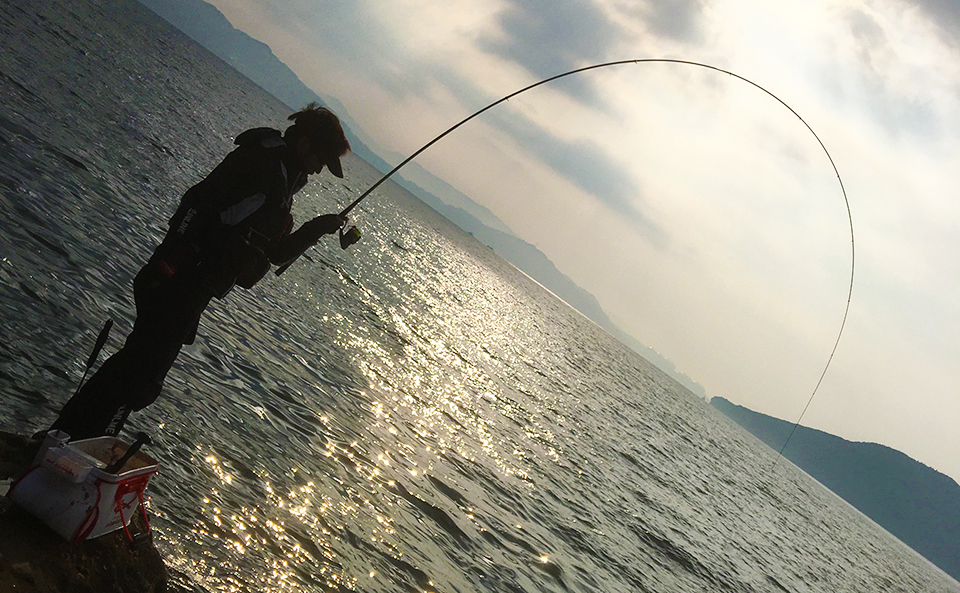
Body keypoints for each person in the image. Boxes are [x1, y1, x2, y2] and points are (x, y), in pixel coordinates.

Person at [47, 103, 351, 440]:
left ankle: (68, 441)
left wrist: (317, 228)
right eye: (321, 159)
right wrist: (169, 262)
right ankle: (68, 443)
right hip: (178, 278)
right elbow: (195, 204)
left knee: (139, 373)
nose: (319, 170)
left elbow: (275, 254)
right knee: (138, 376)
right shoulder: (261, 163)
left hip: (195, 291)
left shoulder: (281, 185)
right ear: (306, 144)